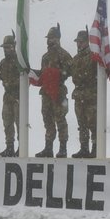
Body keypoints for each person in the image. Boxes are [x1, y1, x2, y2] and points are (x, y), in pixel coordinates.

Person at [36, 27, 70, 159]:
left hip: (59, 93)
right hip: (46, 93)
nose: (50, 41)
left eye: (52, 38)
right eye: (48, 38)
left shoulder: (64, 55)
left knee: (60, 120)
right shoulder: (45, 57)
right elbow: (42, 74)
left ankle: (63, 148)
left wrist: (58, 74)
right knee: (47, 119)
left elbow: (69, 71)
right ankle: (48, 148)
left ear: (58, 38)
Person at [68, 30, 97, 158]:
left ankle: (96, 147)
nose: (79, 44)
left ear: (87, 42)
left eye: (81, 42)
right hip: (79, 95)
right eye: (78, 42)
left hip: (91, 95)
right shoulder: (75, 59)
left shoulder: (93, 56)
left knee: (93, 123)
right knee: (82, 124)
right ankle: (84, 148)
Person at [0, 35, 23, 157]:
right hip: (7, 97)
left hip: (18, 96)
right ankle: (9, 147)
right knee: (7, 122)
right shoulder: (2, 63)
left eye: (8, 47)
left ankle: (21, 147)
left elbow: (24, 79)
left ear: (13, 47)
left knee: (19, 123)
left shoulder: (20, 61)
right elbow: (0, 77)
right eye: (4, 47)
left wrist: (12, 84)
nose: (5, 50)